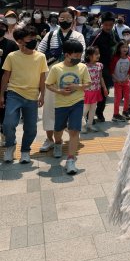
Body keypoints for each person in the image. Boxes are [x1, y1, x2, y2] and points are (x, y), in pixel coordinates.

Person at [37, 8, 86, 152]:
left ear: (73, 20)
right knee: (50, 108)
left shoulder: (78, 36)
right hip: (52, 76)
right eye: (62, 19)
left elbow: (81, 56)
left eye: (68, 19)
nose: (65, 21)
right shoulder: (50, 35)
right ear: (58, 19)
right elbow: (40, 53)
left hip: (71, 76)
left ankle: (72, 135)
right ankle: (49, 139)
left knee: (71, 106)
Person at [0, 25, 48, 164]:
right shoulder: (12, 56)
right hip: (14, 94)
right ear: (20, 41)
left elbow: (42, 77)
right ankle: (10, 146)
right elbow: (5, 76)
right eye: (30, 38)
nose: (34, 40)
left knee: (31, 128)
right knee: (8, 123)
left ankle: (25, 150)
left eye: (35, 38)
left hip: (32, 96)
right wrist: (1, 95)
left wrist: (42, 95)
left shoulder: (41, 57)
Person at [45, 39, 90, 175]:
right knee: (58, 128)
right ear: (67, 55)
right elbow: (48, 84)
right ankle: (58, 143)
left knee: (74, 130)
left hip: (77, 102)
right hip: (61, 104)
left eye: (80, 55)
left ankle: (71, 160)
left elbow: (88, 83)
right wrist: (59, 91)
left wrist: (78, 86)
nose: (78, 58)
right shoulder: (56, 68)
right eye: (75, 56)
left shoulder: (82, 67)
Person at [89, 12, 119, 123]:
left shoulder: (113, 34)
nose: (108, 27)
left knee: (104, 91)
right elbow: (89, 51)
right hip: (95, 67)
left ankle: (99, 112)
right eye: (106, 25)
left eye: (110, 25)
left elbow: (119, 46)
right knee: (93, 91)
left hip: (107, 67)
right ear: (102, 24)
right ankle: (88, 114)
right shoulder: (96, 35)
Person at [0, 17, 19, 146]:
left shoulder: (11, 44)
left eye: (2, 26)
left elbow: (16, 65)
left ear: (6, 29)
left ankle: (5, 135)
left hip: (6, 83)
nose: (0, 29)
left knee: (5, 111)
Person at [83, 46, 108, 132]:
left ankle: (89, 125)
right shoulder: (84, 66)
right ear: (89, 56)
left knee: (93, 108)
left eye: (98, 53)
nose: (98, 55)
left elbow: (101, 78)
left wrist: (104, 88)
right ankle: (81, 125)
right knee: (85, 109)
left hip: (96, 91)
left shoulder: (99, 65)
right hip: (86, 91)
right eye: (96, 54)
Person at [110, 41, 130, 121]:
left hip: (126, 81)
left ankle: (125, 111)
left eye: (126, 47)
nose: (125, 49)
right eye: (123, 47)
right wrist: (117, 80)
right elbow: (111, 71)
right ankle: (115, 114)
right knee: (118, 97)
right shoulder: (115, 59)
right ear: (119, 48)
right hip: (117, 82)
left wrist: (126, 78)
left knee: (127, 97)